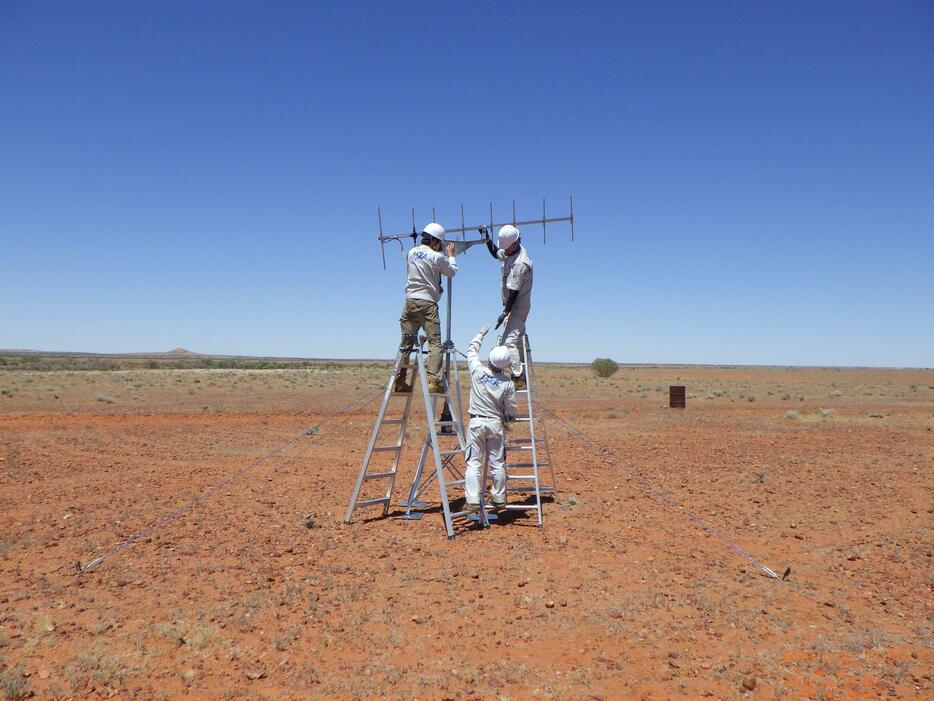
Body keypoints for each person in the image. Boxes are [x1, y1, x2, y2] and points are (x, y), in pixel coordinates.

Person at [394, 222, 457, 394]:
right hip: (428, 303)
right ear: (436, 242)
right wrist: (450, 256)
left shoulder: (412, 252)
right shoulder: (437, 257)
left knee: (406, 342)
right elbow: (451, 272)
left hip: (410, 302)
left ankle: (399, 380)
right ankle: (433, 381)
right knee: (434, 341)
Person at [463, 325, 517, 511]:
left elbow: (471, 350)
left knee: (473, 463)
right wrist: (508, 416)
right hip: (495, 424)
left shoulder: (478, 371)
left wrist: (480, 334)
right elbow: (511, 408)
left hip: (476, 422)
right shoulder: (508, 383)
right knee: (497, 463)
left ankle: (472, 501)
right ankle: (499, 498)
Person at [484, 224, 533, 389]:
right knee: (517, 343)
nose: (504, 250)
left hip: (518, 307)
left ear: (516, 242)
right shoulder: (510, 250)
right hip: (510, 305)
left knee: (507, 344)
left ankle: (518, 377)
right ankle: (522, 371)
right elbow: (495, 253)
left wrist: (505, 312)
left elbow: (513, 292)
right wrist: (487, 238)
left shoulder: (520, 263)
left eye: (507, 247)